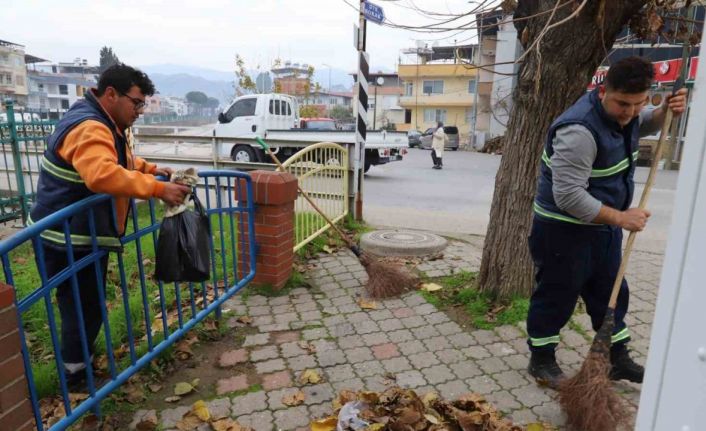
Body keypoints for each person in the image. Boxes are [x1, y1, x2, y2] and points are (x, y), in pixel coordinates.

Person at [526, 56, 687, 389]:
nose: (629, 112)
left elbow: (642, 123)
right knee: (557, 294)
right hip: (563, 229)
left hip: (603, 228)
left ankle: (617, 358)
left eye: (639, 103)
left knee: (611, 292)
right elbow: (569, 196)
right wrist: (622, 218)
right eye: (622, 104)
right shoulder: (579, 131)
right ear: (603, 91)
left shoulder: (625, 116)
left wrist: (663, 113)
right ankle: (541, 359)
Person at [28, 63, 190, 390]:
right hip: (67, 238)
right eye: (137, 102)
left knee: (86, 305)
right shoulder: (91, 127)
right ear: (112, 94)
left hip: (76, 233)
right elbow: (101, 174)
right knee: (81, 307)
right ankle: (75, 379)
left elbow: (120, 162)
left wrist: (152, 169)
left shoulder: (102, 120)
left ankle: (79, 365)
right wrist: (158, 188)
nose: (141, 111)